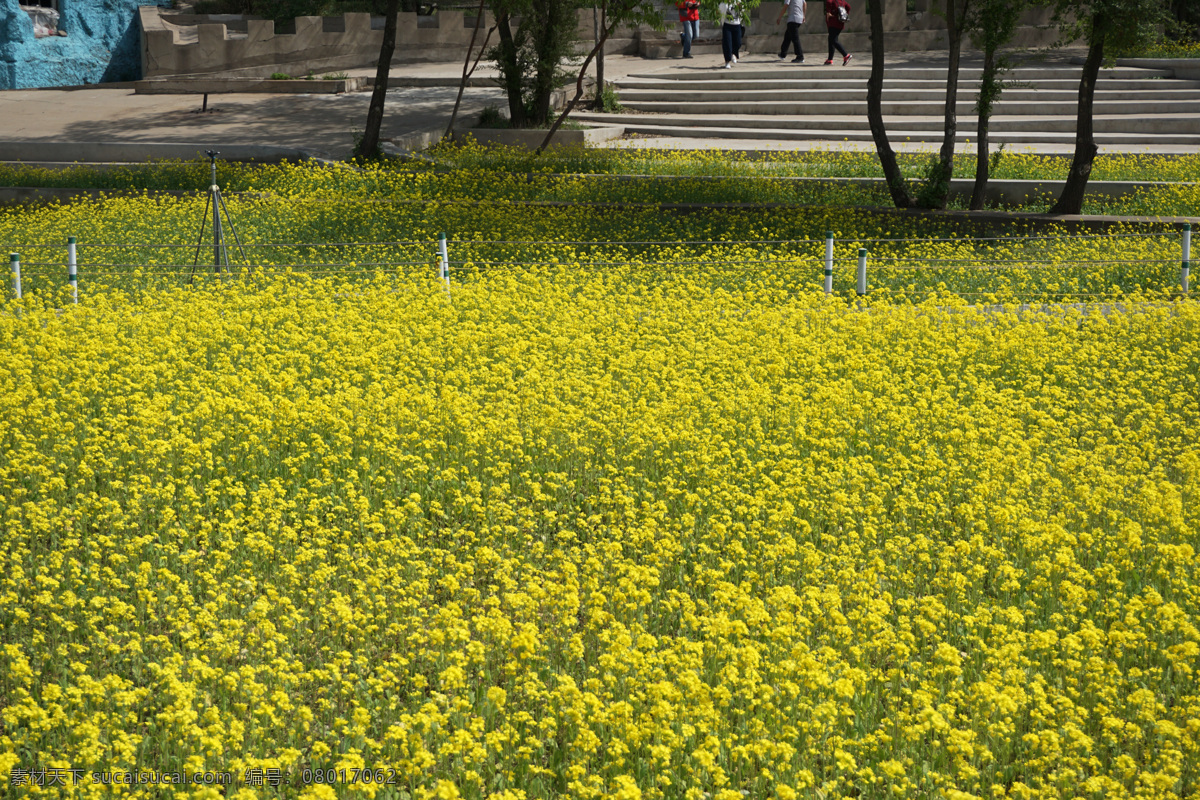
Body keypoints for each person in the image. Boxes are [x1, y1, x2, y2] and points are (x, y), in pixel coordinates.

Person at [718, 0, 745, 69]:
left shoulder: (738, 1)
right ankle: (727, 61)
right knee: (727, 44)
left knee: (738, 43)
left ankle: (732, 53)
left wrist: (740, 7)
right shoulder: (724, 3)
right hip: (727, 25)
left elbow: (743, 11)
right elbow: (720, 11)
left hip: (737, 24)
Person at [823, 0, 851, 65]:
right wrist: (845, 14)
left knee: (833, 40)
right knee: (831, 39)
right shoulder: (842, 1)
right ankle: (830, 59)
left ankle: (846, 55)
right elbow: (848, 7)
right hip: (840, 22)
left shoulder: (830, 1)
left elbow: (828, 13)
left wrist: (829, 14)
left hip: (833, 23)